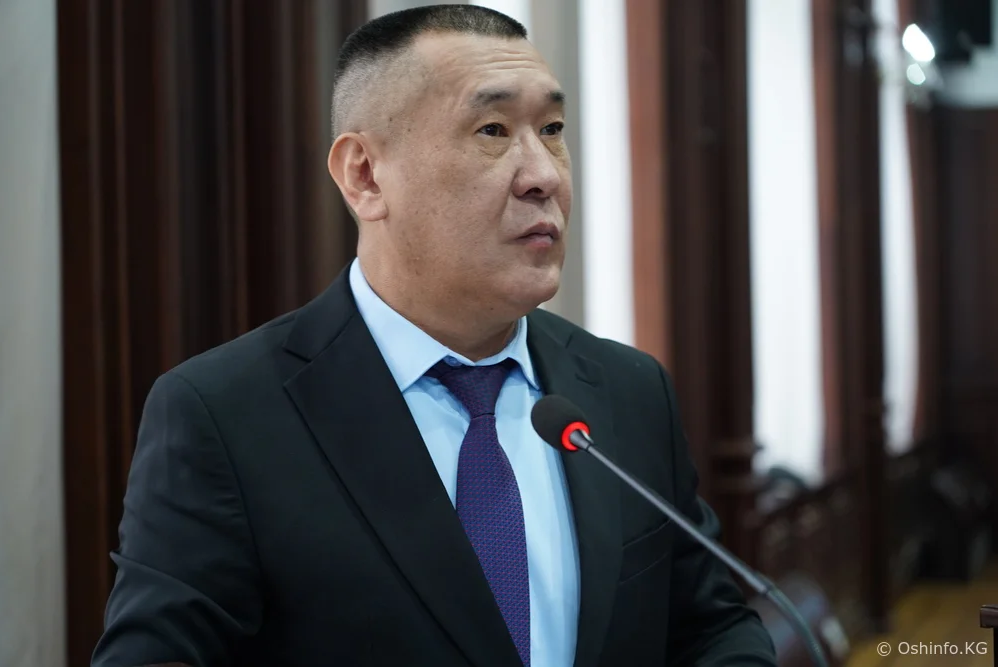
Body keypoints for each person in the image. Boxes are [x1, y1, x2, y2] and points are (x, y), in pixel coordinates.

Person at [92, 5, 777, 666]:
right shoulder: (223, 414)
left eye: (552, 128)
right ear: (365, 175)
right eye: (492, 130)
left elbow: (710, 628)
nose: (543, 175)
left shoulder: (627, 390)